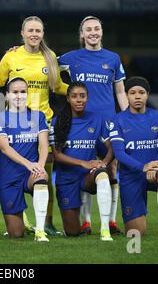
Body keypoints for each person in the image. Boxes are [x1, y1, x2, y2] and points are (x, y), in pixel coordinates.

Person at [0, 16, 69, 235]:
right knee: (15, 169)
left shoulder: (49, 56)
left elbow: (58, 86)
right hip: (14, 122)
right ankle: (20, 219)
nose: (34, 34)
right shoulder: (11, 56)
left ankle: (47, 223)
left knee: (44, 174)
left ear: (43, 33)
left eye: (38, 31)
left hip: (43, 121)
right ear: (22, 33)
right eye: (30, 30)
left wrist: (87, 93)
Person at [58, 16, 127, 235]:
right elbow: (44, 60)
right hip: (81, 121)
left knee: (112, 167)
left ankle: (111, 220)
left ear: (102, 32)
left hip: (108, 121)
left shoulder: (113, 59)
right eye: (88, 29)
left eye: (96, 28)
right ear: (82, 34)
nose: (93, 32)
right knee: (87, 165)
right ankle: (86, 222)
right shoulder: (71, 58)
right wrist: (17, 50)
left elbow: (120, 91)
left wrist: (127, 119)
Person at [109, 77, 158, 240]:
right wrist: (142, 167)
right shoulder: (117, 120)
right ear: (126, 95)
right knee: (135, 233)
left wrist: (156, 166)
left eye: (141, 92)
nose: (137, 96)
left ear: (147, 95)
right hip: (131, 176)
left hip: (155, 172)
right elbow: (119, 153)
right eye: (132, 93)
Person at [50, 81, 114, 241]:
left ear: (87, 98)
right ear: (68, 99)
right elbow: (57, 156)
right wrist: (82, 163)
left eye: (82, 96)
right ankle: (80, 222)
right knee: (72, 232)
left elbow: (112, 147)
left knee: (102, 173)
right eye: (74, 96)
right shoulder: (57, 121)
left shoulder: (97, 119)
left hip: (88, 175)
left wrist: (104, 162)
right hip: (67, 179)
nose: (79, 100)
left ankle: (105, 229)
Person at [0, 77, 50, 242]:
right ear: (7, 95)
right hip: (9, 177)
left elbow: (44, 145)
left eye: (23, 92)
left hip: (30, 174)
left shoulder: (38, 116)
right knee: (16, 234)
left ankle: (40, 231)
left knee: (41, 177)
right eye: (15, 92)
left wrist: (40, 165)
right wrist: (29, 164)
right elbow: (4, 148)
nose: (19, 96)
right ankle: (21, 219)